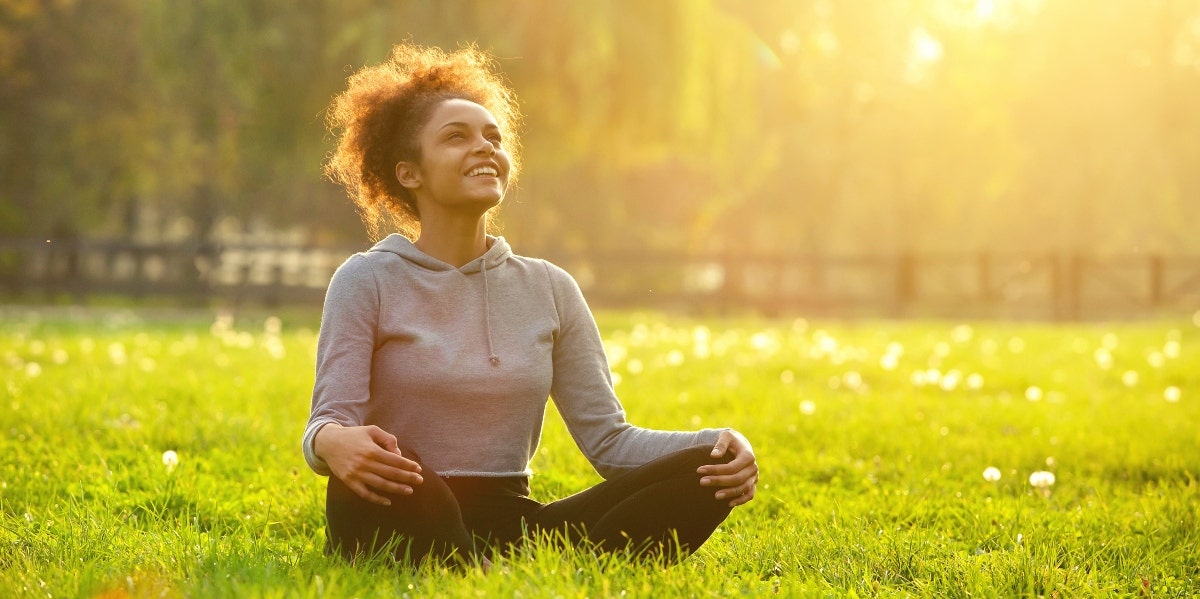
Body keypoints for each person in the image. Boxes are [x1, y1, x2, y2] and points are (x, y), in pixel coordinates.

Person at [303, 43, 758, 569]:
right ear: (410, 173)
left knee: (708, 469)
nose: (484, 148)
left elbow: (609, 441)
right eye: (457, 137)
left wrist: (724, 443)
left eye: (493, 138)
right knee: (403, 477)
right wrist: (331, 443)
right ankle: (484, 565)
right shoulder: (366, 279)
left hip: (512, 521)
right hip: (402, 500)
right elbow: (329, 422)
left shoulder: (549, 287)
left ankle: (480, 565)